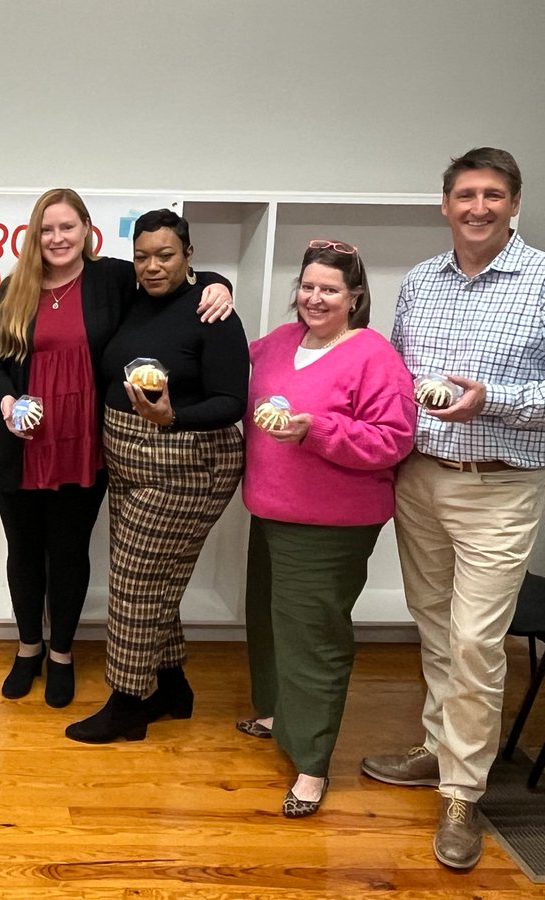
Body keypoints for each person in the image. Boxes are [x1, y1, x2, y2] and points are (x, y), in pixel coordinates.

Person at [0, 191, 232, 709]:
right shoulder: (14, 288)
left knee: (68, 554)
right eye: (47, 230)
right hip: (20, 445)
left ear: (88, 230)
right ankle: (29, 649)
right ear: (34, 235)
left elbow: (170, 280)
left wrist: (219, 285)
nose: (57, 239)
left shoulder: (112, 279)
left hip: (85, 444)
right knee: (24, 553)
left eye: (67, 227)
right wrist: (5, 401)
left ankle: (64, 653)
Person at [360, 147, 545, 869]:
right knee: (435, 628)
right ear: (445, 205)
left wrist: (492, 400)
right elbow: (397, 375)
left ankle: (463, 794)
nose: (478, 206)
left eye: (493, 194)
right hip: (421, 479)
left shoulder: (541, 279)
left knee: (475, 642)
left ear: (513, 203)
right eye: (466, 194)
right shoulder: (419, 282)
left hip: (499, 485)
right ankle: (438, 750)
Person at [237, 240, 416, 816]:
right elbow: (223, 360)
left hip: (329, 524)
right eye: (308, 287)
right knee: (268, 621)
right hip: (270, 510)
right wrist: (213, 291)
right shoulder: (278, 343)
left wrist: (317, 430)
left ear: (355, 297)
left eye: (330, 289)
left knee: (314, 639)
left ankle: (312, 766)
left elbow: (394, 440)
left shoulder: (373, 355)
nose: (315, 298)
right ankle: (274, 715)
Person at [65, 209, 246, 743]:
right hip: (127, 460)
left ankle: (127, 704)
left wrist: (172, 418)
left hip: (188, 463)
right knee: (154, 581)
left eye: (165, 255)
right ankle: (171, 685)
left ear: (189, 253)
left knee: (134, 583)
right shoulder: (133, 295)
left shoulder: (216, 315)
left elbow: (232, 402)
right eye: (143, 256)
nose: (152, 265)